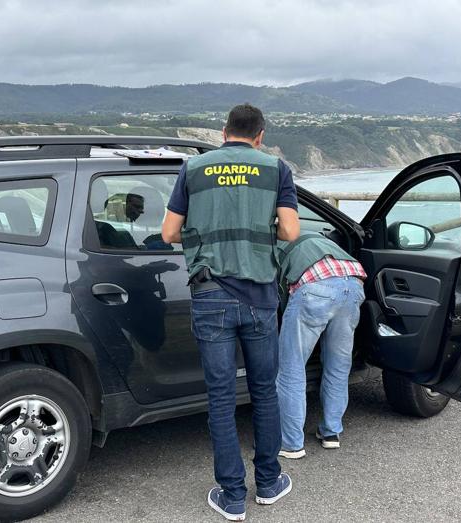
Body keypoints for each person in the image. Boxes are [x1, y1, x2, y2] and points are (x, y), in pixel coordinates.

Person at [162, 104, 300, 521]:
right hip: (259, 298)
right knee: (263, 391)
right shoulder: (276, 169)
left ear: (224, 132)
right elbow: (291, 231)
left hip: (211, 296)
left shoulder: (194, 169)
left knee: (221, 398)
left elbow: (169, 232)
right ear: (260, 135)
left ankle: (232, 495)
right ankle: (270, 482)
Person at [275, 232, 366, 459]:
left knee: (291, 369)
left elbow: (279, 293)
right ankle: (331, 433)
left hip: (314, 288)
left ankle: (291, 443)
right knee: (338, 366)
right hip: (353, 285)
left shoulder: (274, 242)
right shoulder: (320, 237)